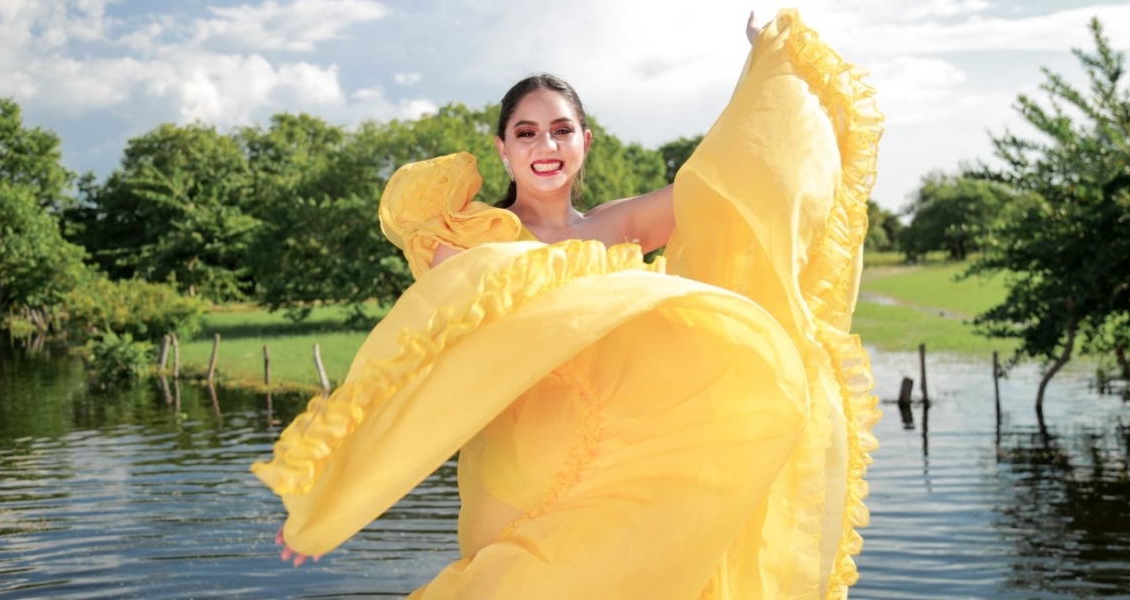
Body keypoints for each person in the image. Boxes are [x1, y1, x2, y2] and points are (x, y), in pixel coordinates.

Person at [252, 8, 883, 599]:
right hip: (516, 469)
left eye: (560, 130)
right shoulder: (466, 240)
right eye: (526, 133)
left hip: (623, 464)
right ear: (503, 149)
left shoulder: (618, 227)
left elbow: (731, 187)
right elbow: (417, 365)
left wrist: (774, 64)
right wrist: (332, 499)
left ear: (584, 142)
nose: (544, 146)